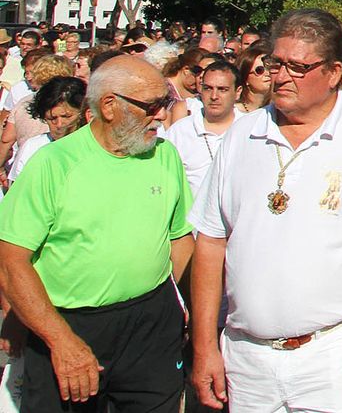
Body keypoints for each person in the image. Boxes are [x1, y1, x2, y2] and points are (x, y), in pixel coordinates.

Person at [189, 9, 342, 413]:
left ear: (334, 72)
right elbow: (211, 242)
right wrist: (204, 347)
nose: (281, 76)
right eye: (275, 64)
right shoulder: (243, 134)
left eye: (298, 67)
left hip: (333, 357)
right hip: (247, 358)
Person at [0, 57, 191, 412]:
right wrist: (60, 340)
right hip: (69, 325)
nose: (162, 116)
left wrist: (175, 304)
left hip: (151, 325)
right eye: (151, 107)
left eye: (164, 104)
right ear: (108, 106)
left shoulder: (164, 156)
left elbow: (180, 237)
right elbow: (11, 262)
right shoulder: (54, 164)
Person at [165, 60, 242, 194]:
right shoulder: (180, 132)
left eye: (222, 89)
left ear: (238, 92)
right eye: (208, 88)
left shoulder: (250, 129)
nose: (214, 96)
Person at [8, 77, 88, 181]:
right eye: (52, 118)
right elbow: (17, 192)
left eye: (66, 117)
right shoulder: (33, 148)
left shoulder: (97, 148)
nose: (59, 124)